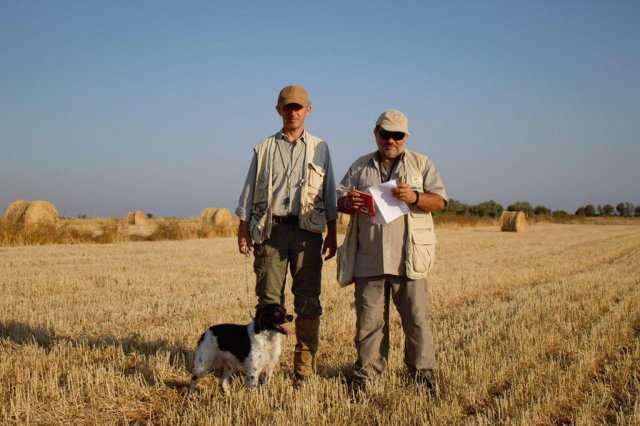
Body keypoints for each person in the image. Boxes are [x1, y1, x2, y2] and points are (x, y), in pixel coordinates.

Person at [336, 109, 447, 394]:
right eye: (385, 134)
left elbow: (441, 201)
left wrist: (415, 197)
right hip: (369, 257)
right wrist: (349, 202)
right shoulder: (360, 166)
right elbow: (340, 199)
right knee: (368, 324)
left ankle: (422, 374)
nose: (391, 140)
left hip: (408, 258)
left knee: (416, 321)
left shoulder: (422, 164)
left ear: (406, 137)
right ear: (376, 133)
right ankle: (366, 376)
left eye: (397, 135)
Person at [236, 84, 338, 382]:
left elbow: (329, 194)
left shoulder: (321, 148)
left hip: (308, 232)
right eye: (287, 107)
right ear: (278, 110)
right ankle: (265, 367)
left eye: (298, 107)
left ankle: (304, 368)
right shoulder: (263, 147)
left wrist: (332, 233)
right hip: (271, 231)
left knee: (308, 300)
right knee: (268, 301)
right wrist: (243, 229)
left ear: (308, 110)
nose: (292, 112)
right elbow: (248, 190)